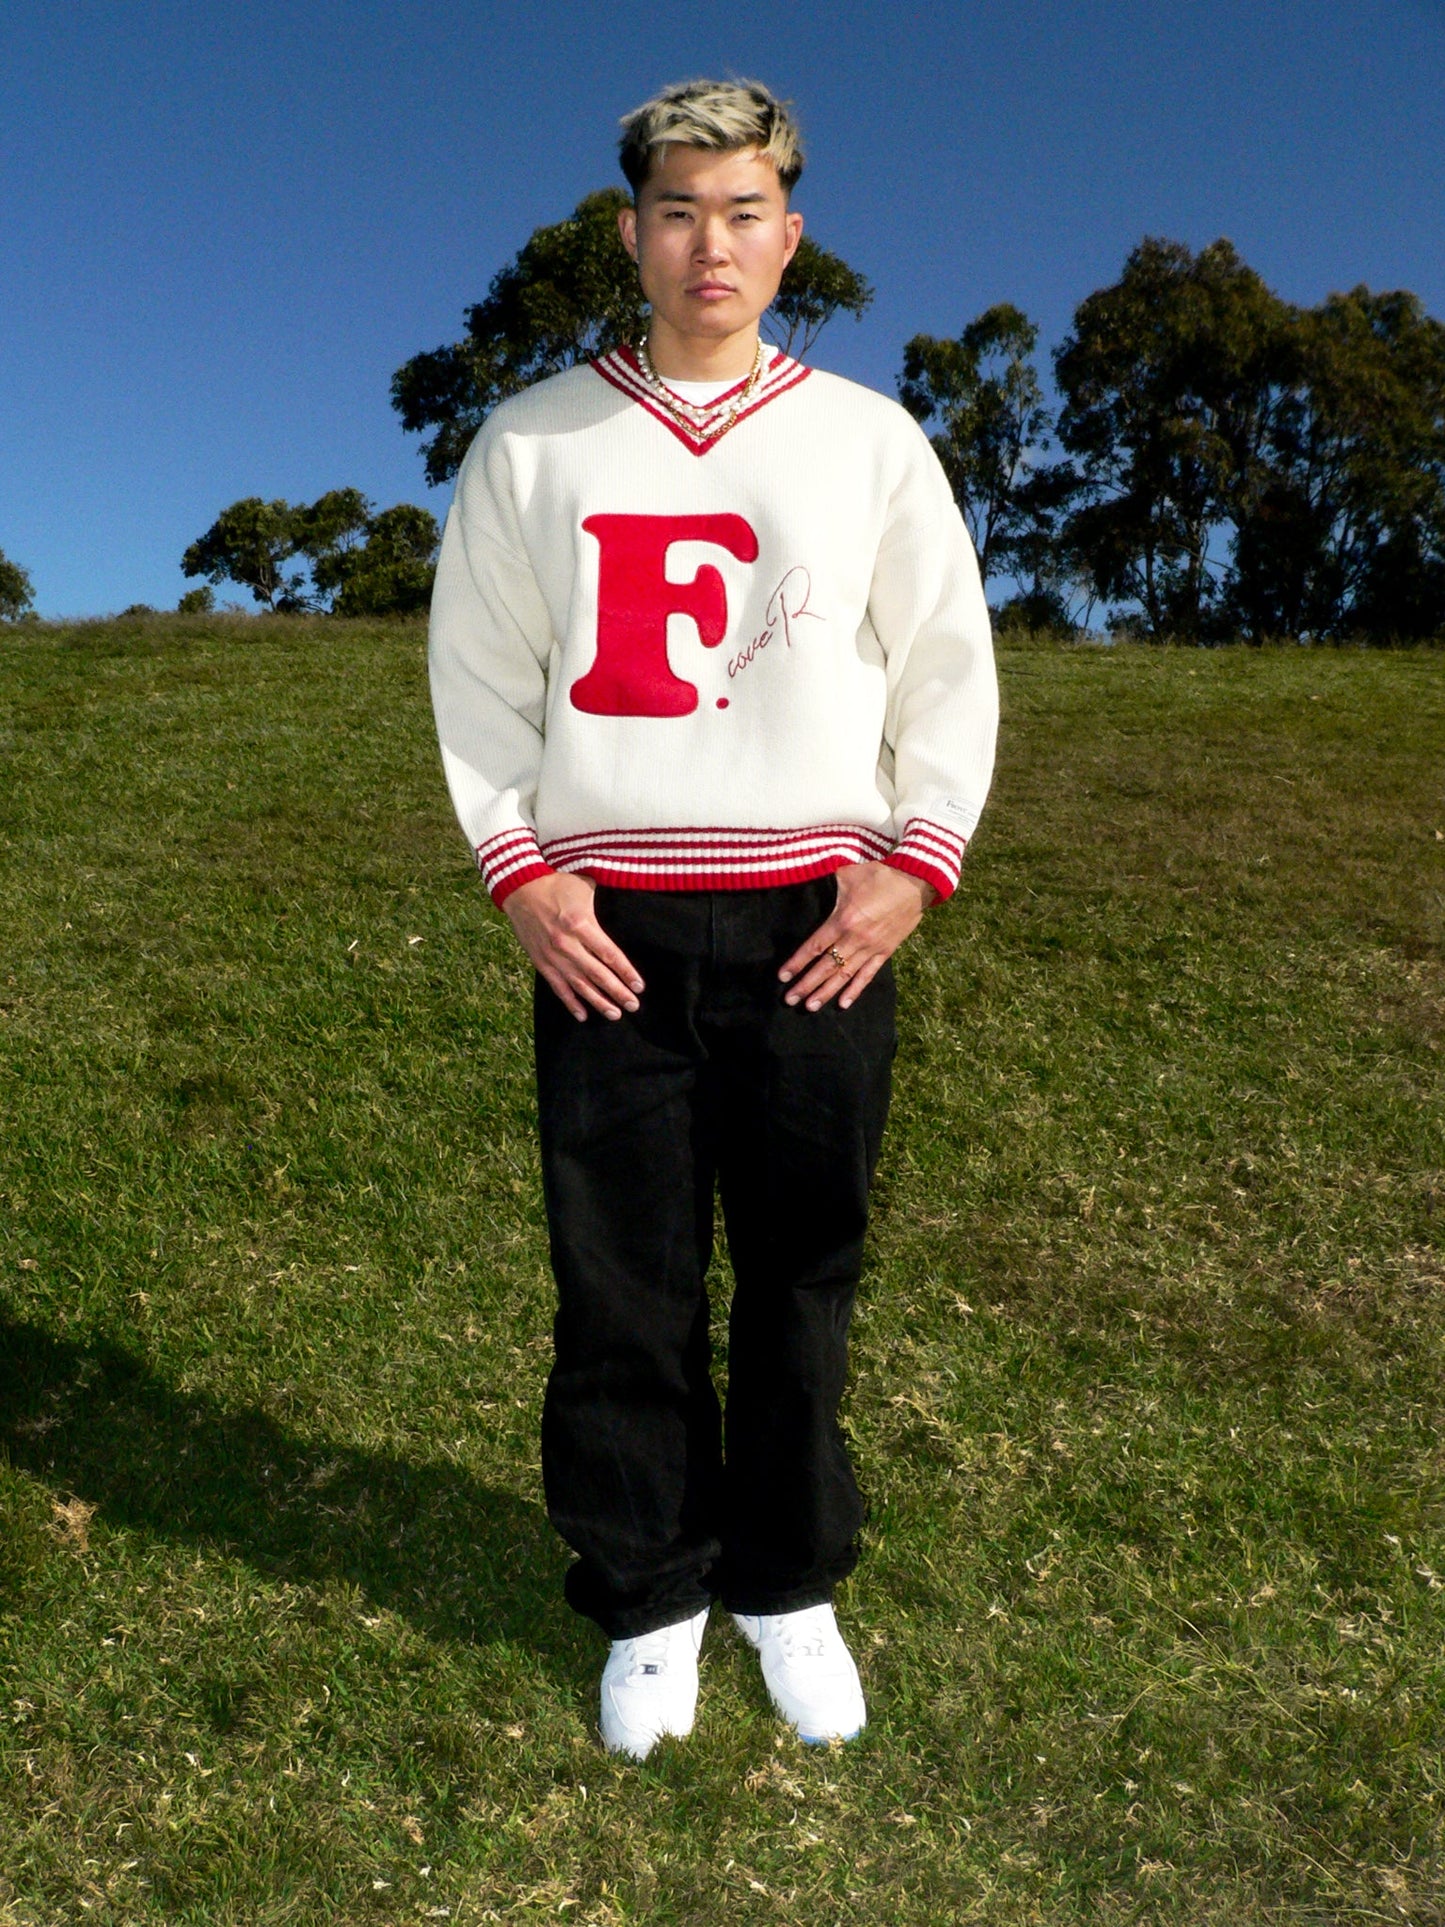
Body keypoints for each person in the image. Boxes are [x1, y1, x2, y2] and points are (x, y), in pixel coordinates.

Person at [428, 77, 997, 1760]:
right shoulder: (532, 439)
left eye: (742, 213)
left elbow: (945, 664)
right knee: (622, 1278)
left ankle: (784, 1581)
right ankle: (651, 1591)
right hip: (608, 930)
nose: (708, 245)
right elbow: (477, 679)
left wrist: (913, 860)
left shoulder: (868, 437)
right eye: (678, 212)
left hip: (815, 923)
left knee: (804, 1269)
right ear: (631, 232)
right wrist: (520, 874)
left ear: (788, 235)